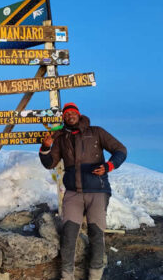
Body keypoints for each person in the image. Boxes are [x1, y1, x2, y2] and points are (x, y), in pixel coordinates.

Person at [39, 102, 127, 280]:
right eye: (66, 114)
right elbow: (50, 163)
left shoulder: (96, 132)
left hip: (98, 191)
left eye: (72, 112)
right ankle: (67, 276)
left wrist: (109, 166)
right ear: (63, 118)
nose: (69, 115)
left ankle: (94, 276)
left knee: (96, 234)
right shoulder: (61, 138)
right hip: (73, 193)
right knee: (69, 234)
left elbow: (121, 150)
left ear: (78, 114)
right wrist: (45, 148)